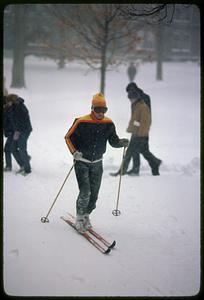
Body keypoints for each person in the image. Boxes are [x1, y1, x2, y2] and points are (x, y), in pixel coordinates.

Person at [64, 93, 129, 233]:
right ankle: (79, 218)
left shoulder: (109, 123)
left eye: (103, 110)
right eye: (98, 109)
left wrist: (121, 143)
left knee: (94, 194)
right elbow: (68, 137)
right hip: (81, 161)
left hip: (97, 163)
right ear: (92, 108)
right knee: (85, 191)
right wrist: (74, 152)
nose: (100, 113)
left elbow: (113, 141)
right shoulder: (81, 121)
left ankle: (87, 215)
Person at [110, 83, 161, 177]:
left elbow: (145, 121)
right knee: (142, 151)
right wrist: (133, 129)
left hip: (140, 133)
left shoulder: (142, 104)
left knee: (131, 151)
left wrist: (141, 133)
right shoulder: (136, 104)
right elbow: (135, 118)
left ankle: (124, 171)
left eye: (130, 98)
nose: (130, 100)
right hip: (137, 132)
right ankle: (154, 163)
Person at [5, 94, 32, 176]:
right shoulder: (12, 108)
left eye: (8, 102)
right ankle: (23, 165)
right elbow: (13, 120)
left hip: (25, 130)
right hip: (18, 131)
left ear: (11, 101)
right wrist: (16, 130)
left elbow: (24, 120)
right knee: (12, 148)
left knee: (22, 148)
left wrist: (18, 131)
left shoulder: (20, 107)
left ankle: (27, 170)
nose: (7, 104)